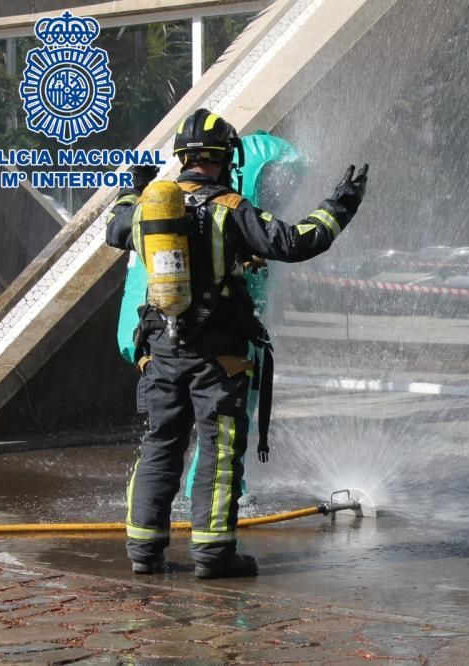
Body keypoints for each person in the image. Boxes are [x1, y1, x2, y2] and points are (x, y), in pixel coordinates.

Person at [106, 108, 368, 577]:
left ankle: (144, 552)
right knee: (219, 450)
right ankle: (213, 554)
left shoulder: (151, 206)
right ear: (226, 159)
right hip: (218, 357)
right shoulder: (231, 208)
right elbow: (295, 242)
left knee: (160, 445)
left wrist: (137, 184)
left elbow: (115, 227)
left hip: (161, 353)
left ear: (182, 158)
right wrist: (341, 205)